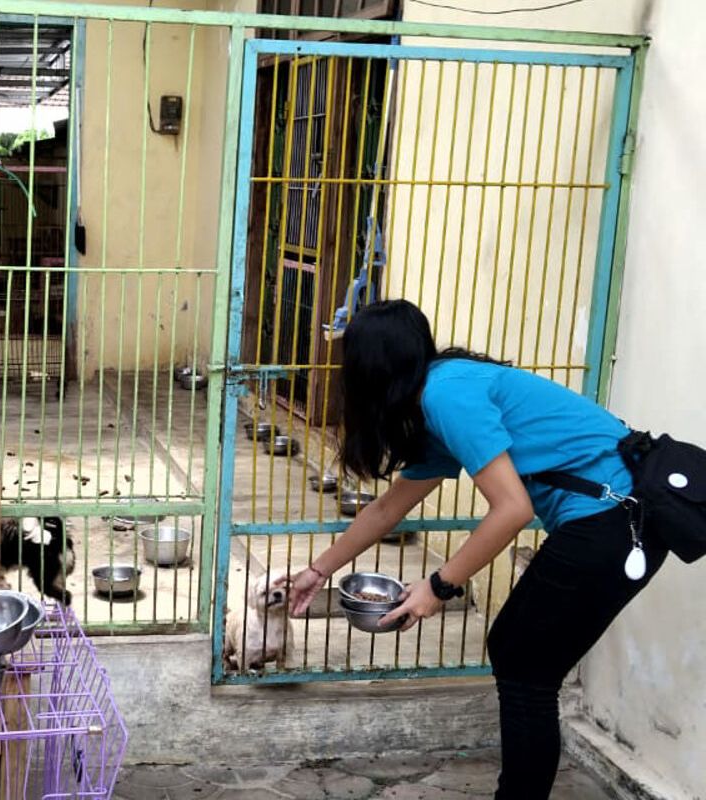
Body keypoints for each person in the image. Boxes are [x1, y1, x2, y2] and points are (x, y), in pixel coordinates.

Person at [282, 299, 667, 800]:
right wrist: (318, 570)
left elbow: (512, 509)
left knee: (524, 664)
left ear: (370, 368)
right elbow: (386, 510)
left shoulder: (448, 395)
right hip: (614, 522)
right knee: (521, 658)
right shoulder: (436, 394)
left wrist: (438, 587)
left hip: (615, 521)